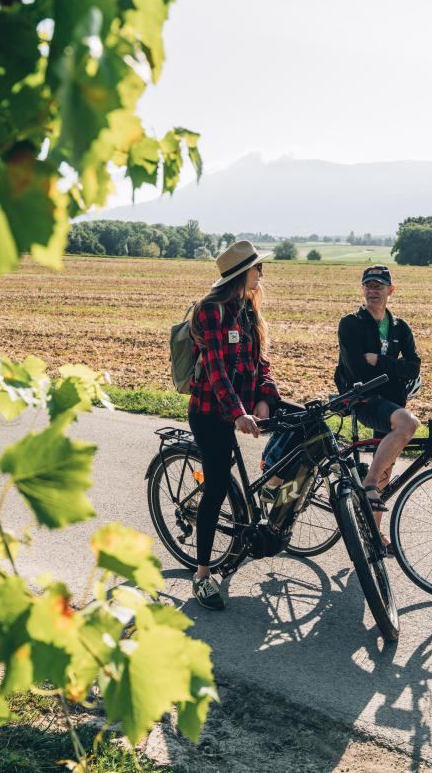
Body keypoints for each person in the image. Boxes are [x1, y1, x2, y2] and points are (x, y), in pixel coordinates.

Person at [189, 240, 280, 610]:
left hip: (241, 406)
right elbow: (216, 370)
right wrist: (238, 412)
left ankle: (274, 498)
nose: (262, 272)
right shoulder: (210, 311)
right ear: (242, 273)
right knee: (215, 488)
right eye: (258, 267)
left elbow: (260, 364)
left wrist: (264, 396)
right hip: (210, 411)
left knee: (304, 426)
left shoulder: (248, 310)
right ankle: (202, 575)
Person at [334, 264, 421, 552]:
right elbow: (357, 370)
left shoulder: (400, 327)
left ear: (390, 290)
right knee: (408, 424)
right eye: (368, 286)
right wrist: (393, 368)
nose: (373, 291)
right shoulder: (351, 324)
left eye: (379, 286)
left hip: (392, 403)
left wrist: (381, 361)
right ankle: (368, 482)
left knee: (386, 467)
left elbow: (414, 367)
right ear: (363, 289)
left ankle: (375, 535)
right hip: (364, 400)